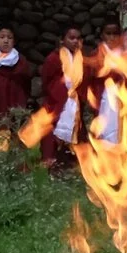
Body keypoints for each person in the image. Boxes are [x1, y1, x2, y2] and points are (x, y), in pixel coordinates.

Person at [37, 24, 88, 171]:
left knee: (76, 134)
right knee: (52, 138)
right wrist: (61, 92)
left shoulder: (81, 60)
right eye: (71, 38)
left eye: (78, 38)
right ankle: (51, 167)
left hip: (75, 103)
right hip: (57, 104)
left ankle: (70, 166)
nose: (75, 41)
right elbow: (47, 82)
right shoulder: (53, 59)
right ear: (62, 40)